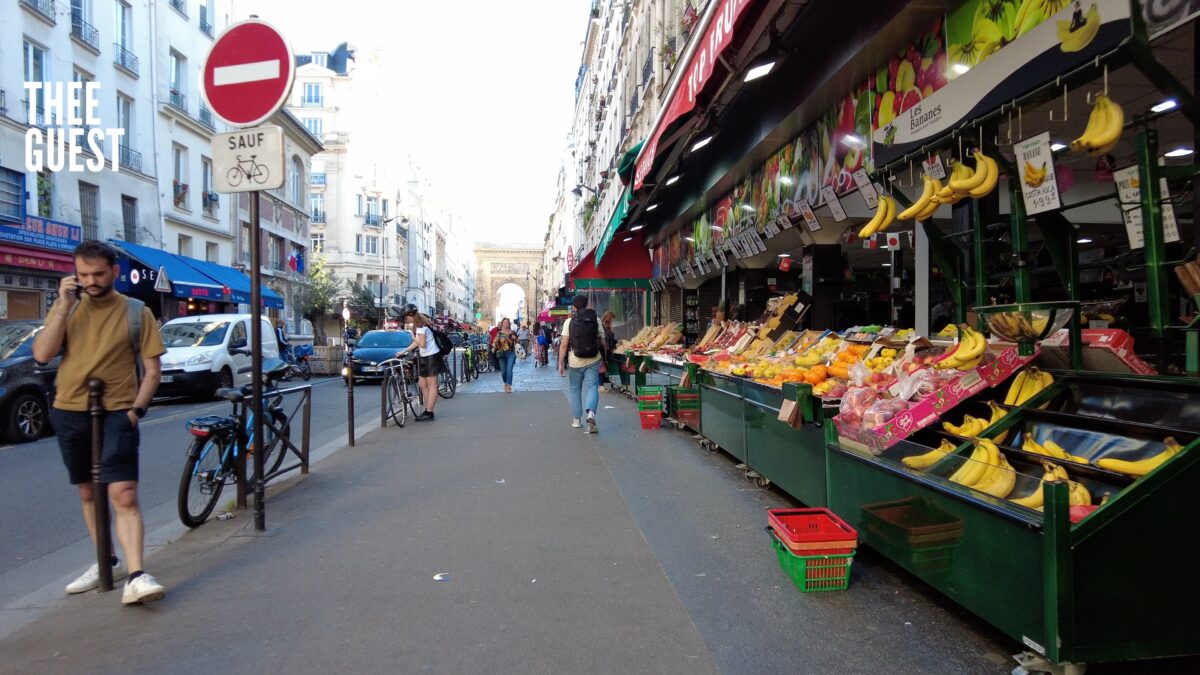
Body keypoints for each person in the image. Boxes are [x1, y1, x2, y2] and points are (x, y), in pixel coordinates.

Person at [31, 240, 167, 605]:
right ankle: (107, 561)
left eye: (98, 274)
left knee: (123, 492)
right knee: (88, 491)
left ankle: (137, 574)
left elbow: (153, 369)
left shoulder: (137, 312)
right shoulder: (67, 309)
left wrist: (136, 410)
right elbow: (43, 355)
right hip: (70, 408)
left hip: (118, 411)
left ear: (115, 272)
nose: (90, 280)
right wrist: (62, 306)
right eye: (83, 274)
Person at [559, 295, 605, 433]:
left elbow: (564, 344)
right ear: (587, 304)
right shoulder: (596, 319)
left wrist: (561, 362)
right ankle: (591, 413)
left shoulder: (569, 321)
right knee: (592, 387)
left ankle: (576, 420)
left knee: (575, 389)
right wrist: (605, 357)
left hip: (575, 360)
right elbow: (603, 341)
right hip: (593, 358)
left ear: (573, 307)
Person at [396, 304, 442, 421]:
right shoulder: (419, 325)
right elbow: (419, 343)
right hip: (425, 357)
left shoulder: (421, 326)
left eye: (407, 318)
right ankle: (427, 409)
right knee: (422, 384)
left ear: (411, 315)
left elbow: (421, 344)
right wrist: (405, 350)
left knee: (432, 385)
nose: (407, 321)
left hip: (431, 357)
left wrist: (412, 336)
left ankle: (429, 412)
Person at [493, 318, 517, 393]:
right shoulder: (499, 333)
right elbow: (495, 342)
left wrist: (515, 338)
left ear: (509, 324)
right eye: (504, 322)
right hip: (502, 353)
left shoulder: (512, 332)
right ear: (502, 324)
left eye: (507, 322)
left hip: (511, 353)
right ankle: (505, 383)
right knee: (503, 371)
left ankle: (508, 385)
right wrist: (493, 348)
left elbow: (518, 341)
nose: (506, 324)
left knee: (509, 369)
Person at [599, 310, 617, 392]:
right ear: (610, 320)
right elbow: (608, 342)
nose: (613, 322)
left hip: (602, 352)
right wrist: (615, 344)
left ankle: (600, 384)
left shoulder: (603, 327)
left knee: (601, 368)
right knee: (601, 368)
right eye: (613, 319)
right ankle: (600, 385)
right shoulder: (606, 329)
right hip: (604, 352)